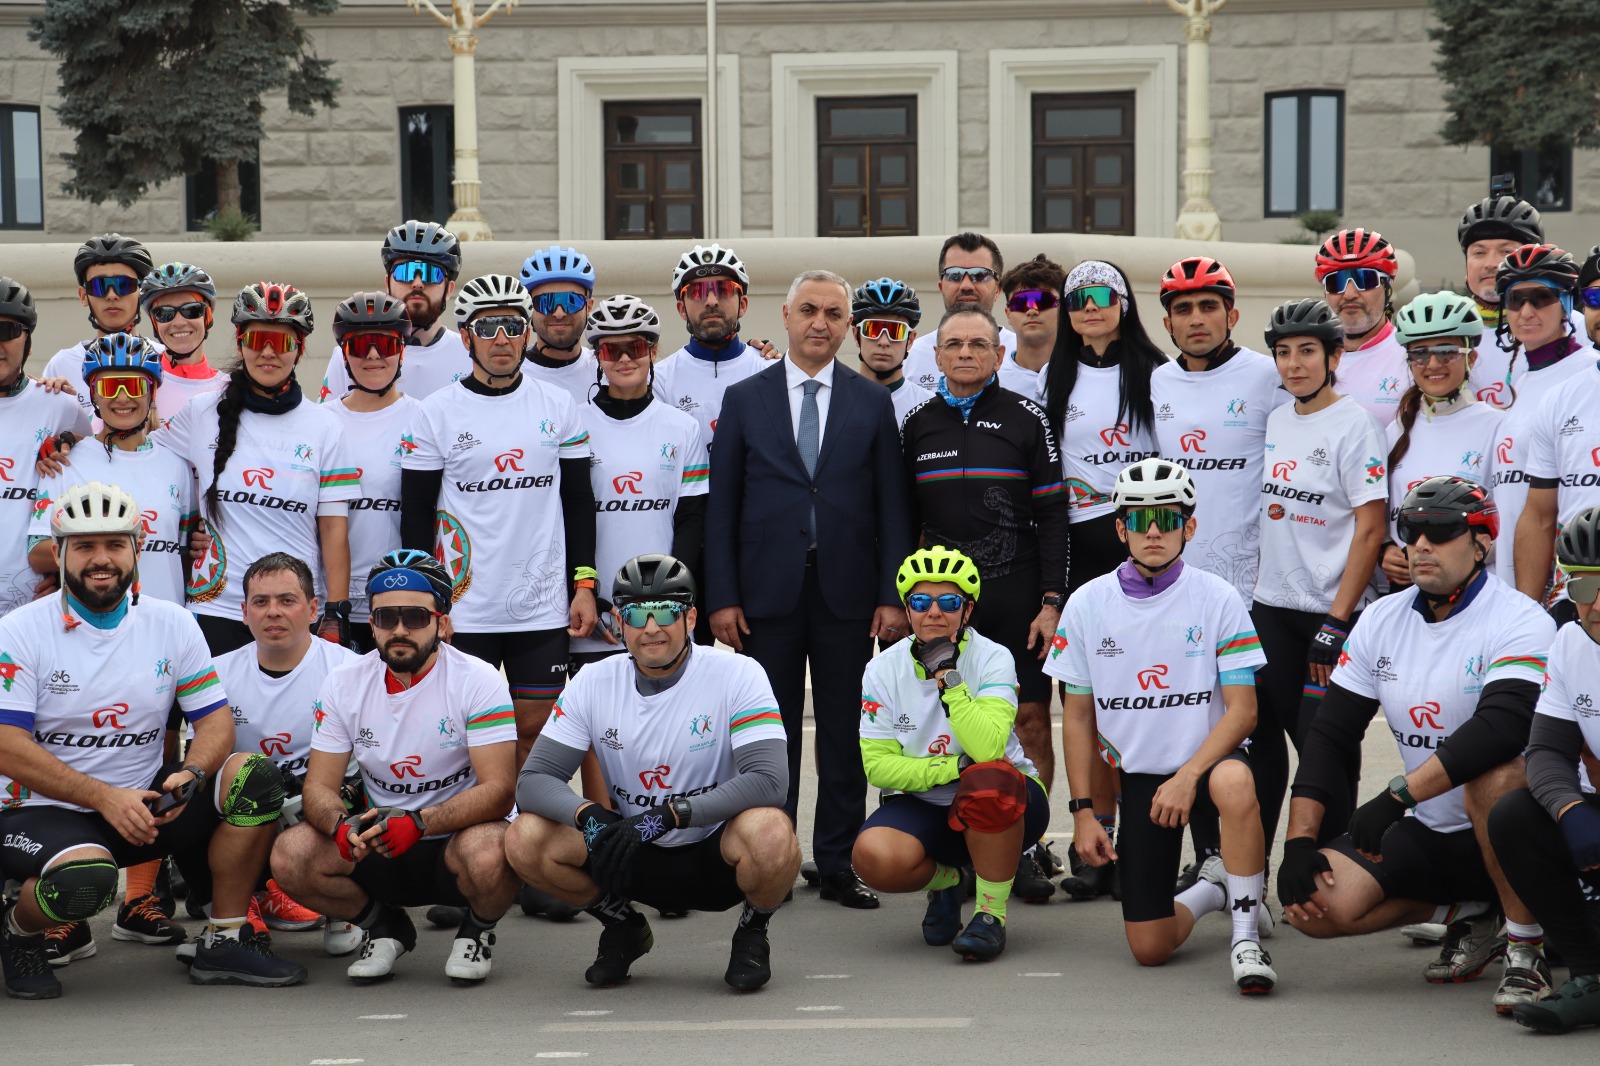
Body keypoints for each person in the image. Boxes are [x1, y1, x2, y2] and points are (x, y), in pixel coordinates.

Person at [0, 481, 304, 998]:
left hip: (144, 807)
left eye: (115, 544)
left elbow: (215, 722)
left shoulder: (173, 622)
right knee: (84, 880)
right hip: (42, 810)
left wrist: (192, 773)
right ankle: (17, 932)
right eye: (85, 546)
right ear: (58, 552)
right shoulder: (19, 630)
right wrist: (103, 797)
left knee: (252, 776)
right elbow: (7, 743)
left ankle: (225, 937)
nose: (101, 559)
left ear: (138, 548)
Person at [1279, 476, 1556, 1016]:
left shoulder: (1521, 619)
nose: (1422, 545)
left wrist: (1396, 797)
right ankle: (1471, 911)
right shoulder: (1382, 618)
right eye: (1412, 531)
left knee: (1495, 776)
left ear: (1482, 542)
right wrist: (1297, 841)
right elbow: (1330, 735)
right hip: (1432, 830)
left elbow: (1501, 728)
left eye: (1442, 530)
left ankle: (1526, 949)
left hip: (1519, 832)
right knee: (1313, 907)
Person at [706, 269, 914, 910]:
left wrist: (891, 595)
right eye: (808, 311)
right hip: (763, 595)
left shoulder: (870, 402)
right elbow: (722, 507)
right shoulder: (745, 399)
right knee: (771, 735)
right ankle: (775, 855)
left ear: (847, 326)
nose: (820, 323)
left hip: (847, 593)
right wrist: (722, 596)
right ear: (787, 317)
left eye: (832, 313)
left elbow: (892, 507)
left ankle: (837, 861)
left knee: (845, 730)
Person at [507, 553, 800, 990]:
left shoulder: (739, 673)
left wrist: (672, 814)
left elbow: (769, 781)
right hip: (631, 848)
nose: (650, 628)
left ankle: (753, 932)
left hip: (714, 851)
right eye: (635, 614)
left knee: (772, 831)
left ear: (691, 618)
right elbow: (533, 782)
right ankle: (622, 926)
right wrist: (589, 815)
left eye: (665, 612)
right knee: (524, 836)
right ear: (618, 622)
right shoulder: (592, 681)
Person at [1043, 459, 1275, 994]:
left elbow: (1243, 712)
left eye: (1167, 519)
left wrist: (1189, 776)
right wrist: (1083, 813)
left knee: (1235, 781)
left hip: (1209, 765)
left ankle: (1245, 939)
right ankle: (1216, 889)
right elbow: (1077, 717)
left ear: (1189, 527)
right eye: (1139, 520)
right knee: (1150, 949)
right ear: (1119, 529)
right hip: (1144, 781)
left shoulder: (1218, 597)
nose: (1153, 531)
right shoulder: (1086, 604)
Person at [269, 549, 519, 985]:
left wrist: (421, 822)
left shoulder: (479, 680)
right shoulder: (344, 682)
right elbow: (319, 787)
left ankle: (477, 930)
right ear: (372, 624)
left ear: (442, 623)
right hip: (381, 841)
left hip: (455, 840)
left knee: (492, 849)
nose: (399, 630)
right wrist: (339, 826)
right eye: (386, 618)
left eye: (415, 617)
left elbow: (500, 791)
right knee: (291, 854)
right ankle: (384, 928)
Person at [900, 306, 1067, 902]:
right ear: (937, 356)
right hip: (941, 602)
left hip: (1016, 593)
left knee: (1028, 719)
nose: (965, 353)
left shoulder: (1028, 416)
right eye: (954, 345)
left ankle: (1024, 844)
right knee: (941, 719)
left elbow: (1053, 513)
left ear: (999, 354)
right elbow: (903, 519)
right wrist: (901, 602)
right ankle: (954, 844)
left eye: (978, 344)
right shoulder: (917, 423)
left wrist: (1051, 600)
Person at [399, 274, 597, 767]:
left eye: (511, 326)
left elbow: (578, 502)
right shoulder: (435, 412)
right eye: (487, 328)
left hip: (541, 606)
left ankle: (524, 817)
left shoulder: (558, 406)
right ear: (466, 337)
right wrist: (425, 601)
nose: (502, 339)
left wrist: (584, 585)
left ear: (527, 331)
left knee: (534, 731)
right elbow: (416, 513)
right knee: (460, 736)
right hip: (464, 608)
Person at [851, 547, 1049, 960]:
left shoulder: (993, 657)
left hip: (1007, 800)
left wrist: (949, 678)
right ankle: (951, 881)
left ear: (968, 609)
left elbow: (988, 749)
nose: (934, 613)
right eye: (921, 602)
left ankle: (990, 915)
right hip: (926, 803)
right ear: (907, 610)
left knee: (987, 779)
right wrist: (954, 766)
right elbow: (878, 767)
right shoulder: (882, 669)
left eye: (949, 602)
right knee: (872, 858)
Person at [1039, 258, 1166, 899]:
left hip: (1143, 546)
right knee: (1085, 701)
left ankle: (1143, 845)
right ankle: (1097, 845)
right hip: (1079, 552)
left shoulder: (1156, 371)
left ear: (1124, 303)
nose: (1090, 306)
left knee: (1139, 702)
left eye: (1102, 295)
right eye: (1077, 298)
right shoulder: (1053, 376)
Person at [158, 283, 361, 656]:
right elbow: (140, 458)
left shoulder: (325, 426)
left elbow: (334, 528)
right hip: (218, 605)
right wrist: (69, 440)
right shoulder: (201, 413)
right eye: (257, 340)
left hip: (293, 607)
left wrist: (335, 609)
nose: (268, 352)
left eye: (281, 342)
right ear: (240, 344)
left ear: (299, 350)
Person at [1252, 298, 1387, 851]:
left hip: (1329, 614)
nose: (1294, 364)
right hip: (1271, 608)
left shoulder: (1356, 425)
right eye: (1283, 353)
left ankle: (1337, 858)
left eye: (1307, 351)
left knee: (1324, 745)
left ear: (1334, 357)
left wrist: (1336, 621)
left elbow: (1371, 529)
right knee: (1271, 741)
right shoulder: (1277, 419)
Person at [211, 552, 362, 950]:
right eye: (261, 602)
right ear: (244, 612)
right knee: (203, 790)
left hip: (320, 805)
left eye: (287, 600)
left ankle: (348, 907)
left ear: (313, 609)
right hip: (247, 812)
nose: (273, 612)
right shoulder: (216, 672)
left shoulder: (351, 670)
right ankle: (236, 909)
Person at [1489, 507, 1600, 1032]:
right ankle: (1591, 977)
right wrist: (1570, 809)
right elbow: (1547, 751)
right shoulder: (1570, 642)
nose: (1596, 605)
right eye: (1583, 587)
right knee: (1515, 817)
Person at [571, 295, 708, 669]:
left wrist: (673, 599)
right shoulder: (575, 423)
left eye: (634, 348)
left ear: (652, 351)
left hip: (663, 613)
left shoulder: (682, 427)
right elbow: (566, 518)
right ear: (598, 357)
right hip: (596, 612)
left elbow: (691, 521)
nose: (624, 359)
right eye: (611, 350)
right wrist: (586, 593)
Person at [28, 335, 197, 609]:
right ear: (93, 394)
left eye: (134, 386)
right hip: (91, 620)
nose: (122, 397)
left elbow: (187, 555)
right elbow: (37, 554)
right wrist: (110, 535)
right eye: (109, 387)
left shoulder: (177, 464)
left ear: (152, 392)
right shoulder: (64, 461)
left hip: (165, 621)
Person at [1489, 245, 1594, 598]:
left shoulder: (1585, 371)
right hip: (1514, 575)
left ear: (1566, 302)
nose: (1526, 311)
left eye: (1541, 297)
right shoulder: (1523, 380)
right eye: (1515, 300)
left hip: (1569, 577)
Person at [1380, 293, 1502, 593]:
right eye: (1420, 354)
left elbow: (1510, 523)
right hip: (1406, 591)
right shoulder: (1395, 430)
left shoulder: (1498, 427)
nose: (1433, 364)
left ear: (1470, 358)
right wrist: (1386, 548)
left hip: (1472, 590)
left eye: (1447, 352)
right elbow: (1379, 513)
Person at [323, 292, 424, 653]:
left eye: (385, 344)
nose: (372, 356)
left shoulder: (425, 419)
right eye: (359, 345)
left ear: (402, 351)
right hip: (330, 603)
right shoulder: (320, 421)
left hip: (401, 597)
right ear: (343, 354)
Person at [0, 277, 91, 615]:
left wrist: (62, 574)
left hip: (33, 612)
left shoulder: (59, 405)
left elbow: (100, 464)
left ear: (28, 343)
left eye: (7, 331)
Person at [319, 220, 470, 403]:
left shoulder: (470, 354)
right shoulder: (351, 352)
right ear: (387, 283)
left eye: (431, 273)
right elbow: (327, 418)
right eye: (405, 272)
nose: (417, 283)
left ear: (449, 290)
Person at [652, 244, 768, 442]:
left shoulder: (771, 370)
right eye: (697, 292)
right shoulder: (659, 380)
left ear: (743, 305)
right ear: (682, 309)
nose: (712, 301)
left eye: (723, 289)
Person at [43, 234, 158, 421]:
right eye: (98, 286)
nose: (111, 295)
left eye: (123, 285)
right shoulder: (62, 365)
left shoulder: (163, 358)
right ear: (83, 296)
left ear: (142, 292)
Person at [1455, 194, 1546, 407]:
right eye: (1479, 252)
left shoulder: (1570, 328)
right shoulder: (1447, 332)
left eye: (1506, 251)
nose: (1491, 263)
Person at [1312, 228, 1408, 426]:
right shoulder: (1308, 359)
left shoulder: (1413, 356)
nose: (1349, 294)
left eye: (1365, 279)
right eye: (1335, 282)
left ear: (1387, 289)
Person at [903, 233, 1018, 392]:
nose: (966, 286)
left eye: (979, 275)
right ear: (941, 287)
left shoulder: (1019, 353)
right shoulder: (912, 356)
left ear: (997, 289)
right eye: (954, 275)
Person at [138, 263, 229, 426]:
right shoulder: (135, 385)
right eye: (164, 313)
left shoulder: (230, 390)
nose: (179, 322)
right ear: (154, 323)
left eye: (192, 310)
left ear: (207, 317)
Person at [519, 245, 599, 408]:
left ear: (589, 306)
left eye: (571, 301)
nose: (559, 313)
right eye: (546, 302)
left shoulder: (607, 372)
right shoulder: (510, 377)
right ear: (529, 307)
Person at [850, 277, 932, 428]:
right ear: (856, 335)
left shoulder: (931, 408)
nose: (884, 341)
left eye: (896, 331)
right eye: (872, 329)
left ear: (910, 340)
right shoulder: (834, 401)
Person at [997, 254, 1064, 399]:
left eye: (1043, 301)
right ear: (1008, 314)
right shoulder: (993, 383)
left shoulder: (1084, 376)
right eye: (1020, 302)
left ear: (1063, 309)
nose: (1032, 310)